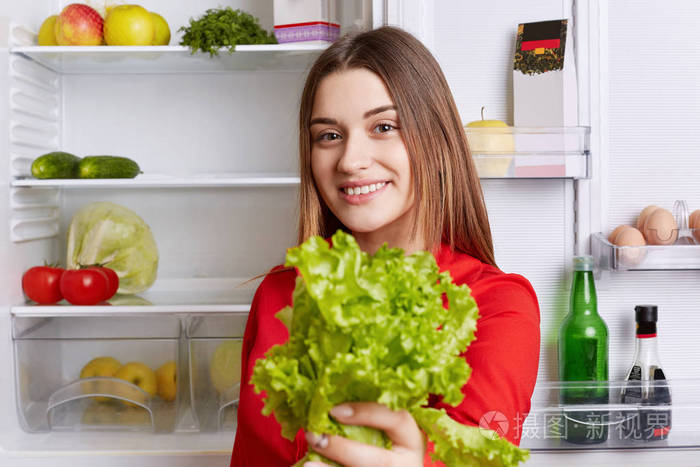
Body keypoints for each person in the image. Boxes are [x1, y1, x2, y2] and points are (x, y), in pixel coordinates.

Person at [231, 26, 540, 467]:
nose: (350, 160)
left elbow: (479, 458)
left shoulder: (498, 306)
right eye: (329, 135)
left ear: (436, 139)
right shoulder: (280, 294)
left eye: (384, 126)